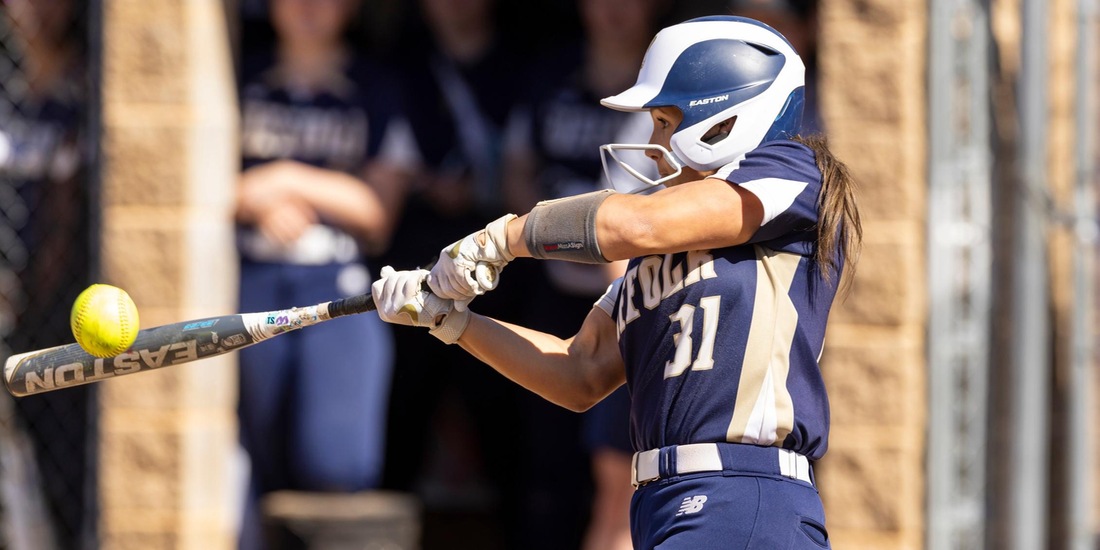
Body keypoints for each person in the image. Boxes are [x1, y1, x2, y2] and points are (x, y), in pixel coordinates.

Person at [371, 15, 861, 549]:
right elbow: (579, 371)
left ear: (725, 119)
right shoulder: (655, 252)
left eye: (665, 120)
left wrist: (500, 238)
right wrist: (453, 322)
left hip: (744, 495)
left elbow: (629, 223)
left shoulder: (791, 172)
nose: (654, 140)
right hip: (661, 501)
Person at [233, 0, 416, 547]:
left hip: (338, 289)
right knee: (251, 458)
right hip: (249, 281)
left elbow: (377, 213)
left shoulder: (376, 86)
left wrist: (284, 179)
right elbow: (196, 184)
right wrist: (256, 200)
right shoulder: (240, 77)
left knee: (335, 461)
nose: (309, 7)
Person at [499, 0, 663, 547]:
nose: (615, 9)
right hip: (555, 290)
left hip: (634, 298)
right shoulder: (553, 76)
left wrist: (617, 273)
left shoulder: (670, 86)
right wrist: (546, 235)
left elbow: (636, 223)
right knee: (552, 464)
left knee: (624, 485)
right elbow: (516, 169)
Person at [0, 0, 96, 546]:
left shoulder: (87, 86)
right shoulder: (5, 85)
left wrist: (32, 294)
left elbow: (64, 217)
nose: (38, 8)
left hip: (54, 307)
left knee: (52, 455)